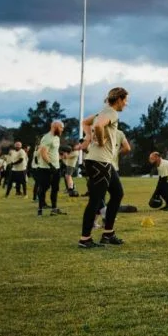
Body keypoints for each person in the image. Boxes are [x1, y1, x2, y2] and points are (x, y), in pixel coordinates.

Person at [78, 87, 128, 249]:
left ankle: (108, 234)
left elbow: (85, 122)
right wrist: (99, 141)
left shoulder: (102, 111)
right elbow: (99, 126)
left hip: (101, 161)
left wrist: (88, 136)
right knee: (95, 200)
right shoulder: (112, 113)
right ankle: (85, 239)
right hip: (100, 162)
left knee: (117, 193)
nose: (126, 104)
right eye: (125, 100)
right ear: (119, 99)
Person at [36, 121, 66, 216]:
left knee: (55, 189)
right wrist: (50, 165)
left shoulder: (57, 137)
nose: (62, 130)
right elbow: (43, 153)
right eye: (61, 128)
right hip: (45, 168)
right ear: (55, 126)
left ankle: (54, 209)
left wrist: (59, 160)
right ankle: (40, 209)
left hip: (56, 168)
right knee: (43, 189)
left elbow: (53, 152)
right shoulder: (47, 138)